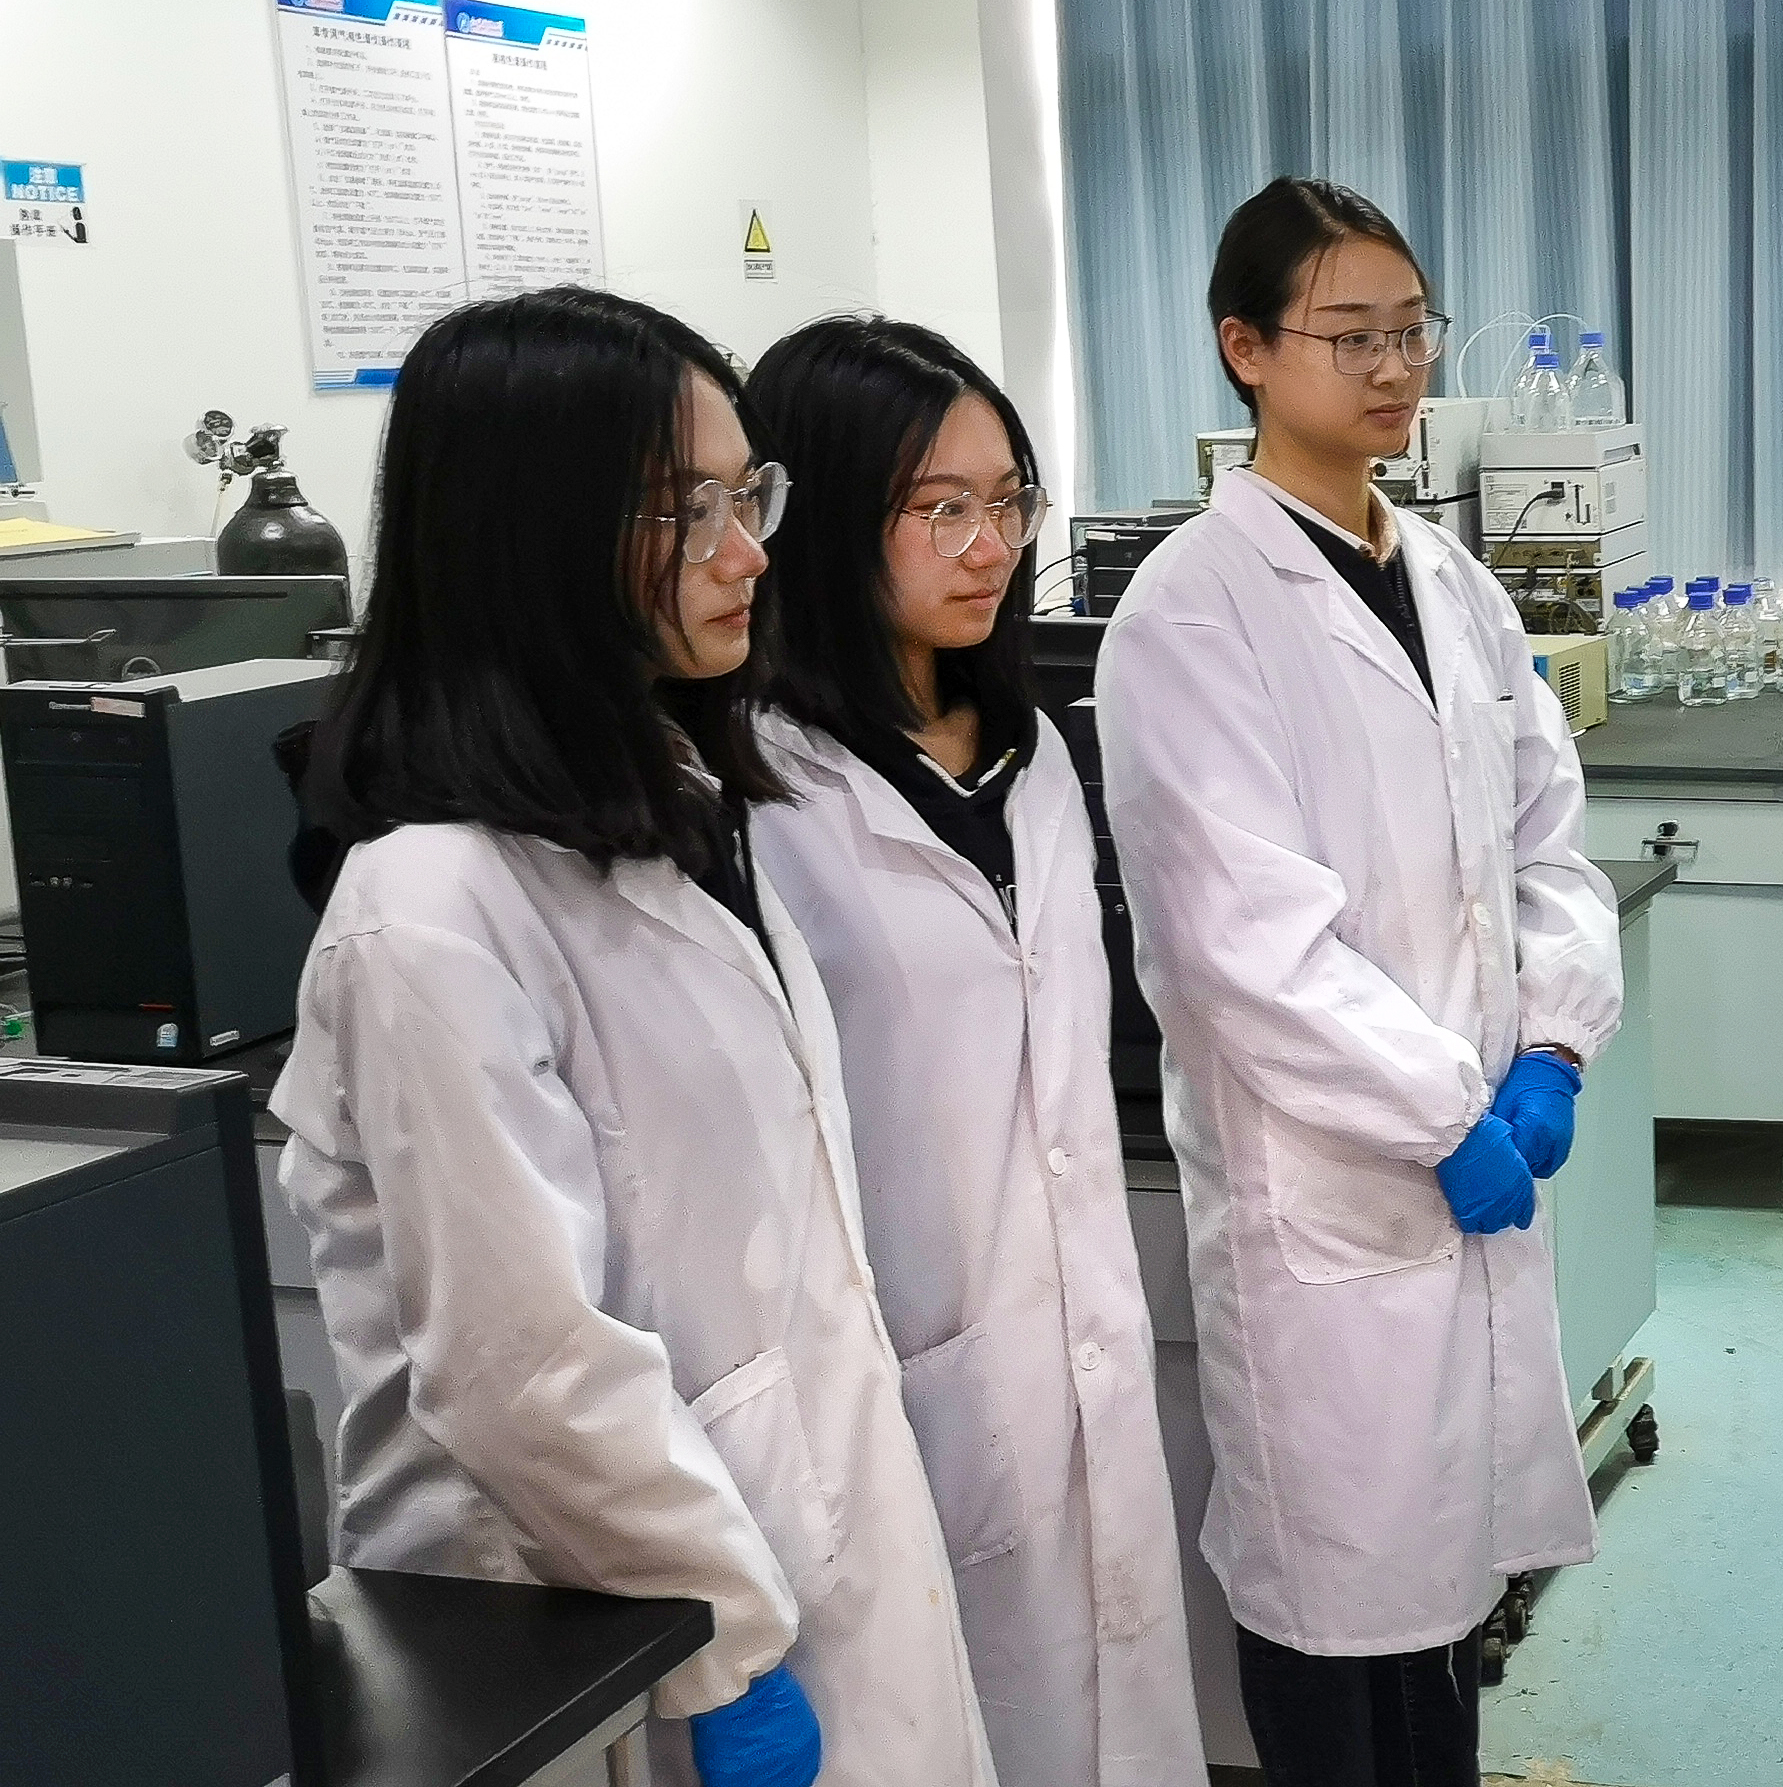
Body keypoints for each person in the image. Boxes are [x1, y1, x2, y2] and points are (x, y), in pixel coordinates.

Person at [270, 286, 997, 1787]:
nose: (748, 553)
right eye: (685, 511)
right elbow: (521, 1369)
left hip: (782, 1537)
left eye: (747, 495)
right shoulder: (430, 915)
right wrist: (723, 1644)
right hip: (592, 1633)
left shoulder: (679, 806)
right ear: (531, 534)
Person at [1097, 176, 1622, 1786]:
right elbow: (1245, 949)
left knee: (1443, 1610)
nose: (1395, 367)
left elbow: (1547, 844)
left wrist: (1553, 1046)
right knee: (1335, 1609)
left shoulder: (1458, 588)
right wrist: (1443, 1114)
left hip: (1466, 1164)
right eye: (1350, 335)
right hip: (1324, 1195)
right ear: (1245, 349)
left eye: (1411, 330)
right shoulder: (1192, 611)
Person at [741, 315, 1204, 1787]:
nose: (990, 544)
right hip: (900, 1388)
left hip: (1076, 1349)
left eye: (1008, 500)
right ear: (820, 517)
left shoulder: (1034, 750)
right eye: (939, 507)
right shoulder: (755, 794)